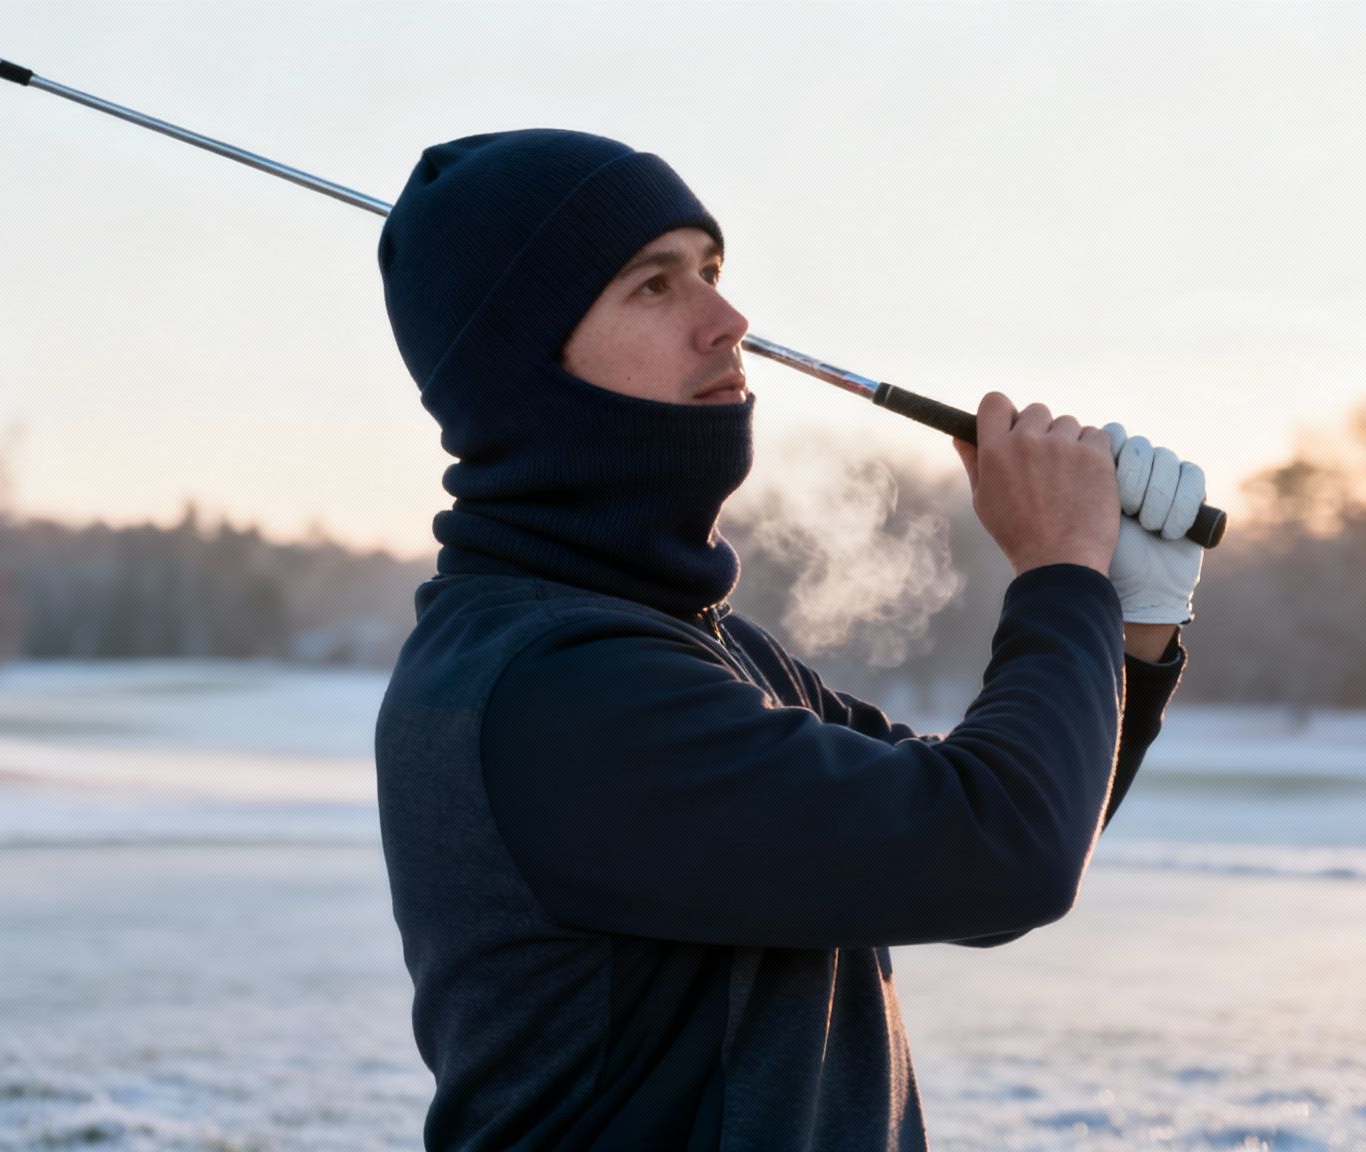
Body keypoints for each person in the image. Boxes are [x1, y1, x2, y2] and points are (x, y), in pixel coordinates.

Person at [373, 128, 1206, 1152]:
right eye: (653, 286)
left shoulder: (685, 645)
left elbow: (980, 851)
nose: (727, 321)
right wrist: (1060, 572)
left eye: (712, 272)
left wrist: (1130, 623)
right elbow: (1005, 850)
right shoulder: (554, 688)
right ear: (522, 360)